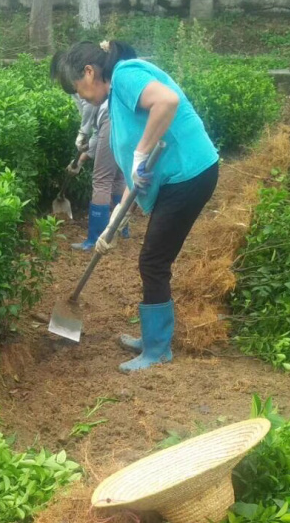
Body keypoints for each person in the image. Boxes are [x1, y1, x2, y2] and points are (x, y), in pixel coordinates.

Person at [59, 39, 219, 373]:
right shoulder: (116, 96)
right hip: (179, 178)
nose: (82, 97)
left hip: (189, 174)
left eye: (78, 89)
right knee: (153, 259)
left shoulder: (125, 74)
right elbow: (136, 179)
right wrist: (110, 227)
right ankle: (152, 340)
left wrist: (142, 152)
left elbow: (167, 101)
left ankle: (158, 349)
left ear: (89, 72)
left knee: (153, 261)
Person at [50, 50, 133, 250]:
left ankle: (96, 238)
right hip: (120, 119)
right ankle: (123, 229)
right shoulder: (101, 84)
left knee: (101, 180)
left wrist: (83, 142)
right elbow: (94, 132)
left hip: (108, 121)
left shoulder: (81, 89)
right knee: (118, 176)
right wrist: (81, 159)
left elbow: (94, 130)